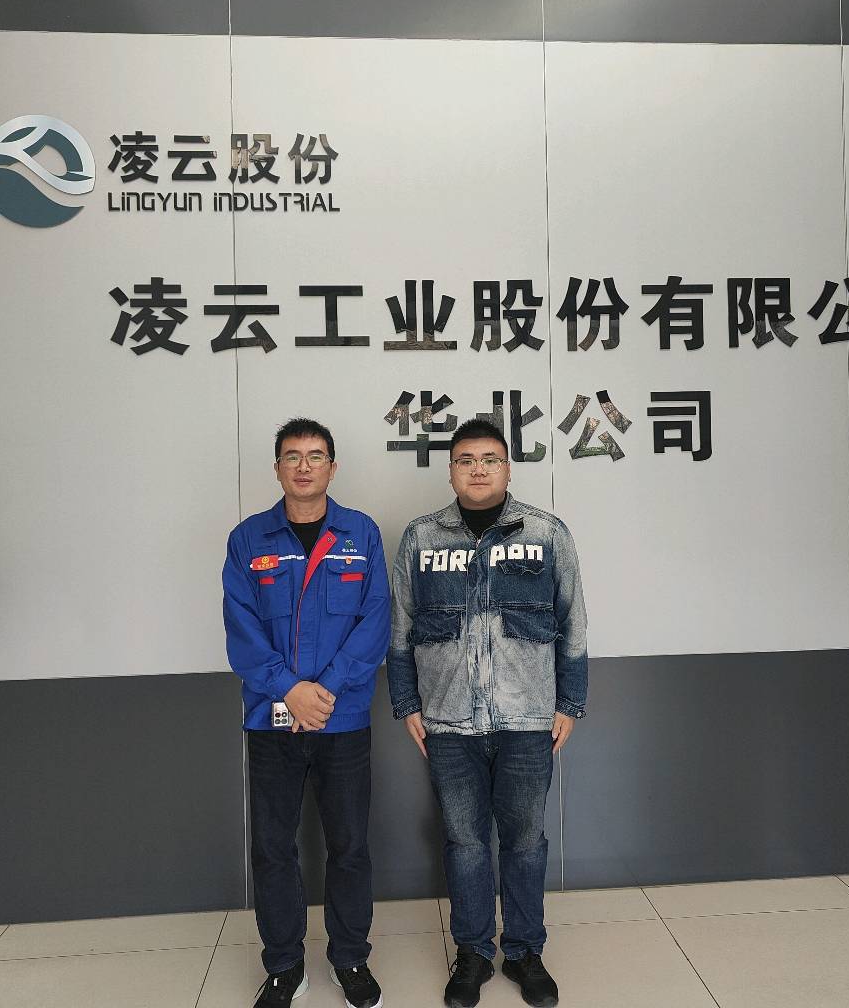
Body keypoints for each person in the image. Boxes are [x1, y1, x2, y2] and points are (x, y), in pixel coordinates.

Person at [388, 419, 588, 1008]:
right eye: (466, 460)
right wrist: (407, 702)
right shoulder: (421, 537)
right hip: (448, 720)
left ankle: (525, 951)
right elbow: (400, 626)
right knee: (465, 841)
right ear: (451, 471)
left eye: (490, 459)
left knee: (524, 840)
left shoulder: (546, 533)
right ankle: (473, 952)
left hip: (528, 718)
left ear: (507, 468)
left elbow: (573, 621)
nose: (478, 469)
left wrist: (569, 702)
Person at [224, 418, 390, 1008]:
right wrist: (288, 690)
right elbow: (242, 629)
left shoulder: (361, 533)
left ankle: (350, 959)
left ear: (332, 468)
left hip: (342, 719)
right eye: (292, 456)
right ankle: (284, 966)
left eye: (315, 455)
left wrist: (325, 690)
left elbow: (375, 621)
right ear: (277, 468)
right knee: (273, 848)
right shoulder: (248, 539)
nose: (303, 466)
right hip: (271, 719)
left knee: (349, 846)